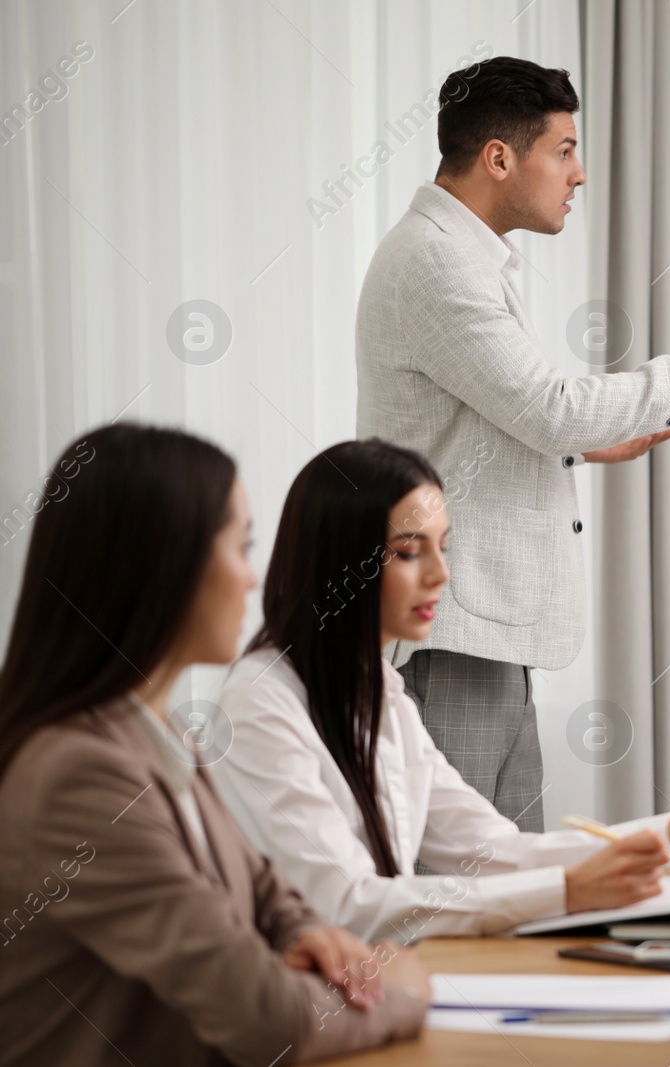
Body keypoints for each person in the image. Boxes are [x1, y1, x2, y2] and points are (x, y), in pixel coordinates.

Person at [356, 55, 670, 831]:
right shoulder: (435, 260)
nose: (580, 173)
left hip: (485, 637)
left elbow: (498, 418)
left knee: (511, 894)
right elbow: (551, 407)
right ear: (500, 158)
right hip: (456, 639)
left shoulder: (462, 254)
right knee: (457, 904)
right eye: (564, 149)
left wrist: (573, 446)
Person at [0, 423, 429, 1067]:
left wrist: (310, 934)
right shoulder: (78, 775)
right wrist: (401, 993)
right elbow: (270, 1018)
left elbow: (263, 888)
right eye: (240, 546)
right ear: (162, 566)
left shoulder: (154, 730)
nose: (253, 581)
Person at [212, 440, 670, 943]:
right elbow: (346, 905)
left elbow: (491, 849)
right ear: (342, 561)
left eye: (444, 546)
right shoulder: (260, 703)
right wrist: (567, 891)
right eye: (410, 552)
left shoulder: (381, 694)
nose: (442, 574)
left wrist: (660, 840)